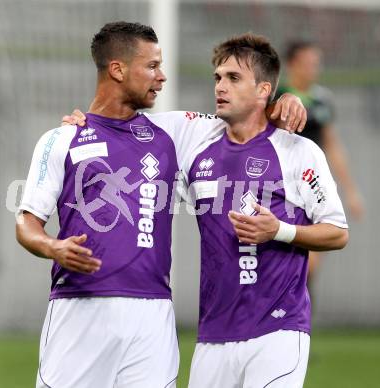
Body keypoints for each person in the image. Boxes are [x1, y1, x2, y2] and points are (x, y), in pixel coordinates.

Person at [17, 22, 305, 388]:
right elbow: (26, 223)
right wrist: (52, 246)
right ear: (118, 70)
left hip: (153, 317)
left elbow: (249, 117)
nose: (162, 76)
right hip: (80, 308)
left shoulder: (172, 131)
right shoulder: (62, 138)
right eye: (152, 66)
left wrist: (284, 102)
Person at [180, 33, 349, 387]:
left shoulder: (299, 152)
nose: (220, 86)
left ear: (263, 90)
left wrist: (280, 231)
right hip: (213, 335)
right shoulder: (196, 142)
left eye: (233, 78)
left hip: (278, 332)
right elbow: (131, 128)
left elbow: (336, 232)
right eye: (218, 77)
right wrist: (80, 124)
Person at [276, 41, 363, 287]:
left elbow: (332, 145)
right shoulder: (276, 97)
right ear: (292, 64)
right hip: (281, 187)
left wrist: (351, 191)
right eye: (308, 63)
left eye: (316, 63)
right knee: (279, 261)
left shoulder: (322, 99)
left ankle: (299, 317)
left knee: (309, 264)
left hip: (312, 188)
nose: (314, 69)